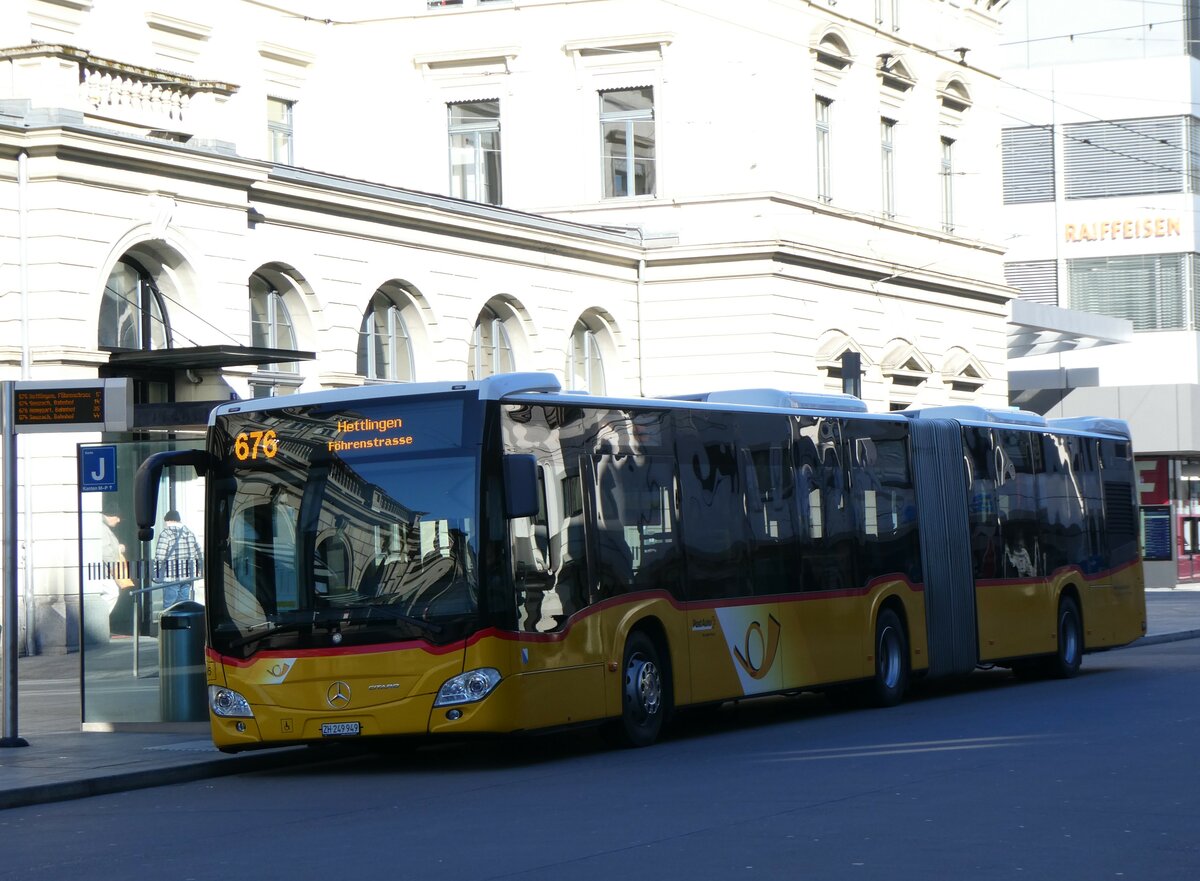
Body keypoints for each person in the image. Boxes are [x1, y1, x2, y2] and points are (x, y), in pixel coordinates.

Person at [154, 509, 202, 609]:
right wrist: (198, 571)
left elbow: (160, 556)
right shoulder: (190, 533)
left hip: (171, 577)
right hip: (188, 576)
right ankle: (181, 624)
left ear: (168, 521)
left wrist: (156, 573)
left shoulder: (166, 534)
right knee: (183, 606)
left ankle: (169, 624)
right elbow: (199, 554)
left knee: (169, 607)